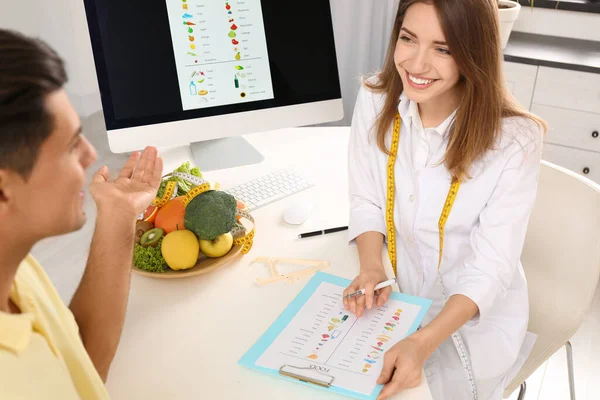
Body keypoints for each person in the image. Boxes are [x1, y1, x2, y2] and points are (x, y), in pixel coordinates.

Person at [343, 1, 547, 399]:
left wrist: (424, 341)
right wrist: (370, 267)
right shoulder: (374, 98)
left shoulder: (515, 140)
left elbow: (490, 267)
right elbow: (366, 198)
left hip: (469, 320)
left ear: (474, 53)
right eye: (408, 39)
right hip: (397, 295)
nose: (416, 65)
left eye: (444, 48)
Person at [0, 29, 163, 399]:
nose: (91, 155)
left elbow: (78, 364)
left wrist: (119, 215)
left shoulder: (15, 266)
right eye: (72, 145)